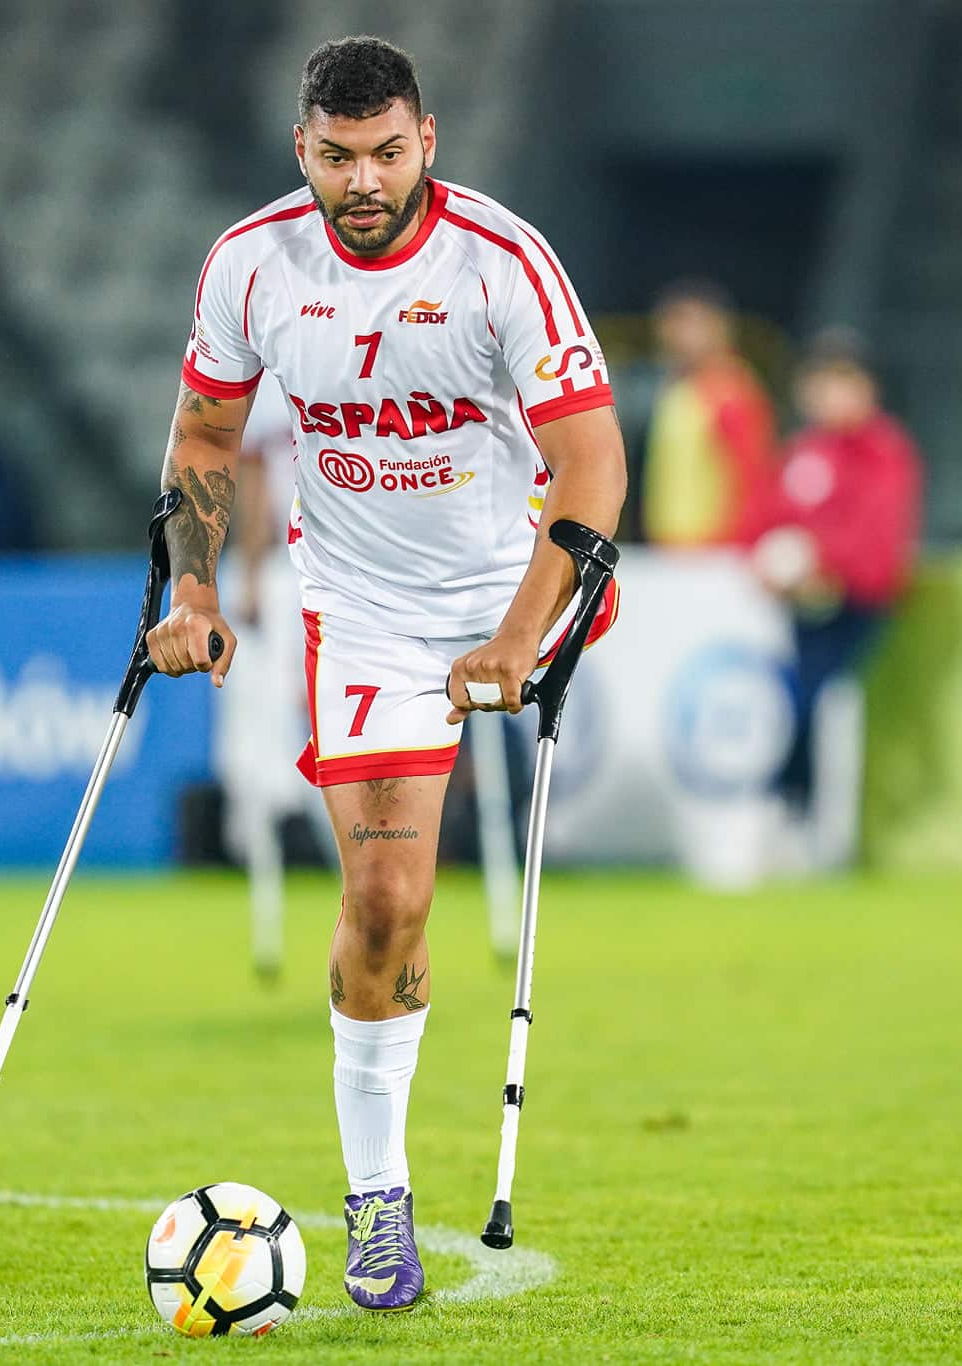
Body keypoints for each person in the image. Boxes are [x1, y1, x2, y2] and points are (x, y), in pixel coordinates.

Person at [141, 36, 625, 1312]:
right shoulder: (251, 265)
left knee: (421, 877)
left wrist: (517, 633)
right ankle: (376, 1199)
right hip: (361, 613)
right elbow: (205, 431)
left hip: (510, 582)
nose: (363, 180)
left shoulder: (500, 263)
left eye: (387, 153)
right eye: (338, 156)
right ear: (301, 149)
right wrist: (194, 590)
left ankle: (526, 633)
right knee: (382, 903)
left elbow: (591, 461)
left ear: (427, 142)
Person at [748, 331, 921, 869]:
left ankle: (807, 819)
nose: (828, 396)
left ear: (867, 389)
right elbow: (767, 515)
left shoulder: (884, 451)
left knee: (818, 701)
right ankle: (792, 816)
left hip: (858, 603)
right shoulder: (805, 452)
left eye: (841, 383)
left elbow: (878, 534)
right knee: (795, 701)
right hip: (803, 607)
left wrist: (823, 564)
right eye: (820, 384)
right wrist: (769, 564)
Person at [641, 279, 776, 547]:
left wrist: (739, 541)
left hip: (714, 548)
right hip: (670, 544)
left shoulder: (730, 391)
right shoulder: (677, 388)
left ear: (719, 328)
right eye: (672, 325)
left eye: (691, 325)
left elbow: (753, 475)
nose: (679, 337)